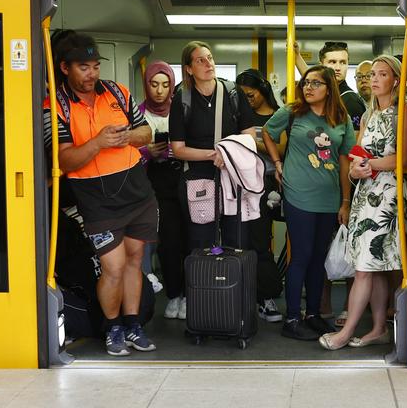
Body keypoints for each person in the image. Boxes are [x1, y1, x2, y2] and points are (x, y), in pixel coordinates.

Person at [43, 32, 157, 356]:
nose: (92, 74)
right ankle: (113, 327)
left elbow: (147, 132)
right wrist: (98, 142)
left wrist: (127, 138)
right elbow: (64, 160)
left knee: (135, 261)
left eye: (95, 66)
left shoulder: (118, 92)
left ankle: (134, 324)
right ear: (64, 68)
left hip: (137, 191)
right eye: (83, 67)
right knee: (114, 267)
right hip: (95, 199)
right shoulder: (55, 106)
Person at [318, 54, 407, 351]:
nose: (374, 79)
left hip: (388, 197)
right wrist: (357, 167)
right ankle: (379, 328)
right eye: (372, 75)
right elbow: (359, 151)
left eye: (382, 74)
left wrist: (369, 165)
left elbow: (405, 158)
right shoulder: (370, 114)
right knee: (373, 264)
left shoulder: (403, 113)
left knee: (364, 268)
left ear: (396, 80)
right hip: (365, 194)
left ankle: (347, 332)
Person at [263, 65, 356, 340]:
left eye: (316, 83)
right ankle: (292, 318)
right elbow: (267, 132)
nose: (309, 87)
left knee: (318, 260)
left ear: (329, 88)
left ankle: (313, 315)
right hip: (298, 195)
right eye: (306, 82)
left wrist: (345, 200)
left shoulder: (342, 118)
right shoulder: (293, 112)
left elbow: (344, 159)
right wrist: (277, 162)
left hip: (329, 199)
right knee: (301, 256)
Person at [295, 41, 367, 321]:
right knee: (321, 250)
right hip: (320, 186)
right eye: (331, 63)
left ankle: (349, 308)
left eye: (342, 62)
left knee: (347, 245)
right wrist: (297, 56)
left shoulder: (348, 100)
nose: (337, 67)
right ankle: (321, 306)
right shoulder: (314, 100)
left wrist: (348, 196)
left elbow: (350, 151)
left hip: (352, 182)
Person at [169, 41, 255, 253]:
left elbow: (249, 137)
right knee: (202, 243)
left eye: (210, 58)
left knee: (236, 242)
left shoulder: (233, 93)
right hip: (198, 180)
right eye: (200, 60)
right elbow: (178, 149)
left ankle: (234, 285)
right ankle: (206, 284)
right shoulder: (183, 98)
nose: (209, 63)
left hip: (233, 177)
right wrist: (213, 155)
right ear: (189, 69)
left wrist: (228, 155)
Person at [138, 61, 190, 320]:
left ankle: (190, 295)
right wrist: (148, 153)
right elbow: (125, 152)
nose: (159, 90)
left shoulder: (182, 110)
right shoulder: (136, 113)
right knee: (168, 243)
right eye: (154, 84)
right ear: (146, 85)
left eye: (165, 84)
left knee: (191, 241)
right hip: (155, 183)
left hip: (186, 178)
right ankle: (174, 294)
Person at [236, 68, 284, 323]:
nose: (248, 100)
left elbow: (283, 145)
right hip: (238, 182)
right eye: (242, 96)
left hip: (264, 182)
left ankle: (266, 296)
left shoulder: (276, 115)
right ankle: (241, 296)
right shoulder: (237, 114)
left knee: (260, 239)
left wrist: (251, 142)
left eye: (251, 94)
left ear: (263, 90)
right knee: (238, 241)